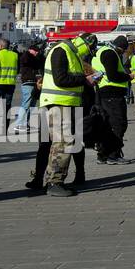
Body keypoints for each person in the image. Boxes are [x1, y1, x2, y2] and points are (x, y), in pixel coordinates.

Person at [37, 34, 96, 197]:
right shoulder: (62, 50)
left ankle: (52, 181)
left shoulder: (69, 52)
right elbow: (61, 79)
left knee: (61, 142)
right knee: (63, 142)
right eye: (88, 48)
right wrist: (85, 80)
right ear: (82, 43)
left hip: (64, 103)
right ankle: (55, 182)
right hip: (58, 103)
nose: (87, 53)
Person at [92, 35, 133, 165]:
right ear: (122, 48)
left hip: (104, 93)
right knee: (118, 125)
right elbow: (113, 75)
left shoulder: (103, 51)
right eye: (124, 50)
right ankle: (113, 155)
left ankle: (103, 154)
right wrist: (128, 76)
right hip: (112, 94)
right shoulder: (110, 53)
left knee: (107, 125)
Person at [14, 42, 42, 133]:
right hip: (27, 83)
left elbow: (38, 64)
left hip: (33, 83)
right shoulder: (26, 56)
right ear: (30, 50)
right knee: (26, 104)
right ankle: (19, 124)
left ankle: (25, 123)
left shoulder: (34, 58)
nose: (37, 53)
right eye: (35, 51)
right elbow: (27, 60)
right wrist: (31, 54)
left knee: (31, 105)